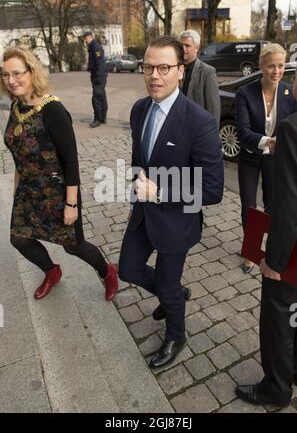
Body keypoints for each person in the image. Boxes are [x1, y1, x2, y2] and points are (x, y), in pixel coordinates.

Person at [118, 36, 224, 369]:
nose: (154, 75)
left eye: (164, 67)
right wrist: (137, 195)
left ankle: (176, 334)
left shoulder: (200, 122)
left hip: (177, 220)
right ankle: (174, 295)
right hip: (143, 213)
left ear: (181, 70)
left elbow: (213, 189)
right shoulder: (139, 109)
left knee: (166, 281)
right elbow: (140, 159)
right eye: (148, 67)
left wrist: (162, 192)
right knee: (128, 269)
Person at [1, 47, 118, 301]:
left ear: (32, 72)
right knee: (19, 239)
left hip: (57, 191)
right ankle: (52, 272)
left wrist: (71, 204)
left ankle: (107, 272)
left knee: (73, 246)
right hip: (27, 190)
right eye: (6, 74)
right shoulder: (16, 106)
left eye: (17, 73)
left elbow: (71, 161)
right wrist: (16, 189)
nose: (11, 80)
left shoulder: (52, 109)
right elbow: (18, 153)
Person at [236, 71, 297, 408]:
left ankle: (276, 387)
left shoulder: (292, 128)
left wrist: (272, 261)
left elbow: (289, 203)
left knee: (278, 317)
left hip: (292, 252)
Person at [236, 43, 297, 274]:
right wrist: (266, 141)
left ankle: (273, 249)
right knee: (249, 206)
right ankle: (250, 253)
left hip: (276, 161)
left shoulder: (290, 92)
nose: (277, 71)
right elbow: (242, 131)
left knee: (273, 205)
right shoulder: (246, 92)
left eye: (281, 66)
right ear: (261, 65)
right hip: (250, 157)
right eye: (271, 66)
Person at [179, 29, 220, 127]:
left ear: (197, 48)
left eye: (187, 46)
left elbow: (213, 109)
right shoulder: (173, 68)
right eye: (181, 45)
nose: (183, 49)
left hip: (196, 129)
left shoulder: (208, 72)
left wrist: (211, 137)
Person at [83, 31, 108, 128]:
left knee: (96, 98)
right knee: (102, 96)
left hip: (99, 77)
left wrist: (98, 76)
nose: (85, 41)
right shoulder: (92, 47)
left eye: (86, 39)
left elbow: (100, 63)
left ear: (90, 37)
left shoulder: (96, 48)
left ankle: (97, 119)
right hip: (97, 76)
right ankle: (103, 118)